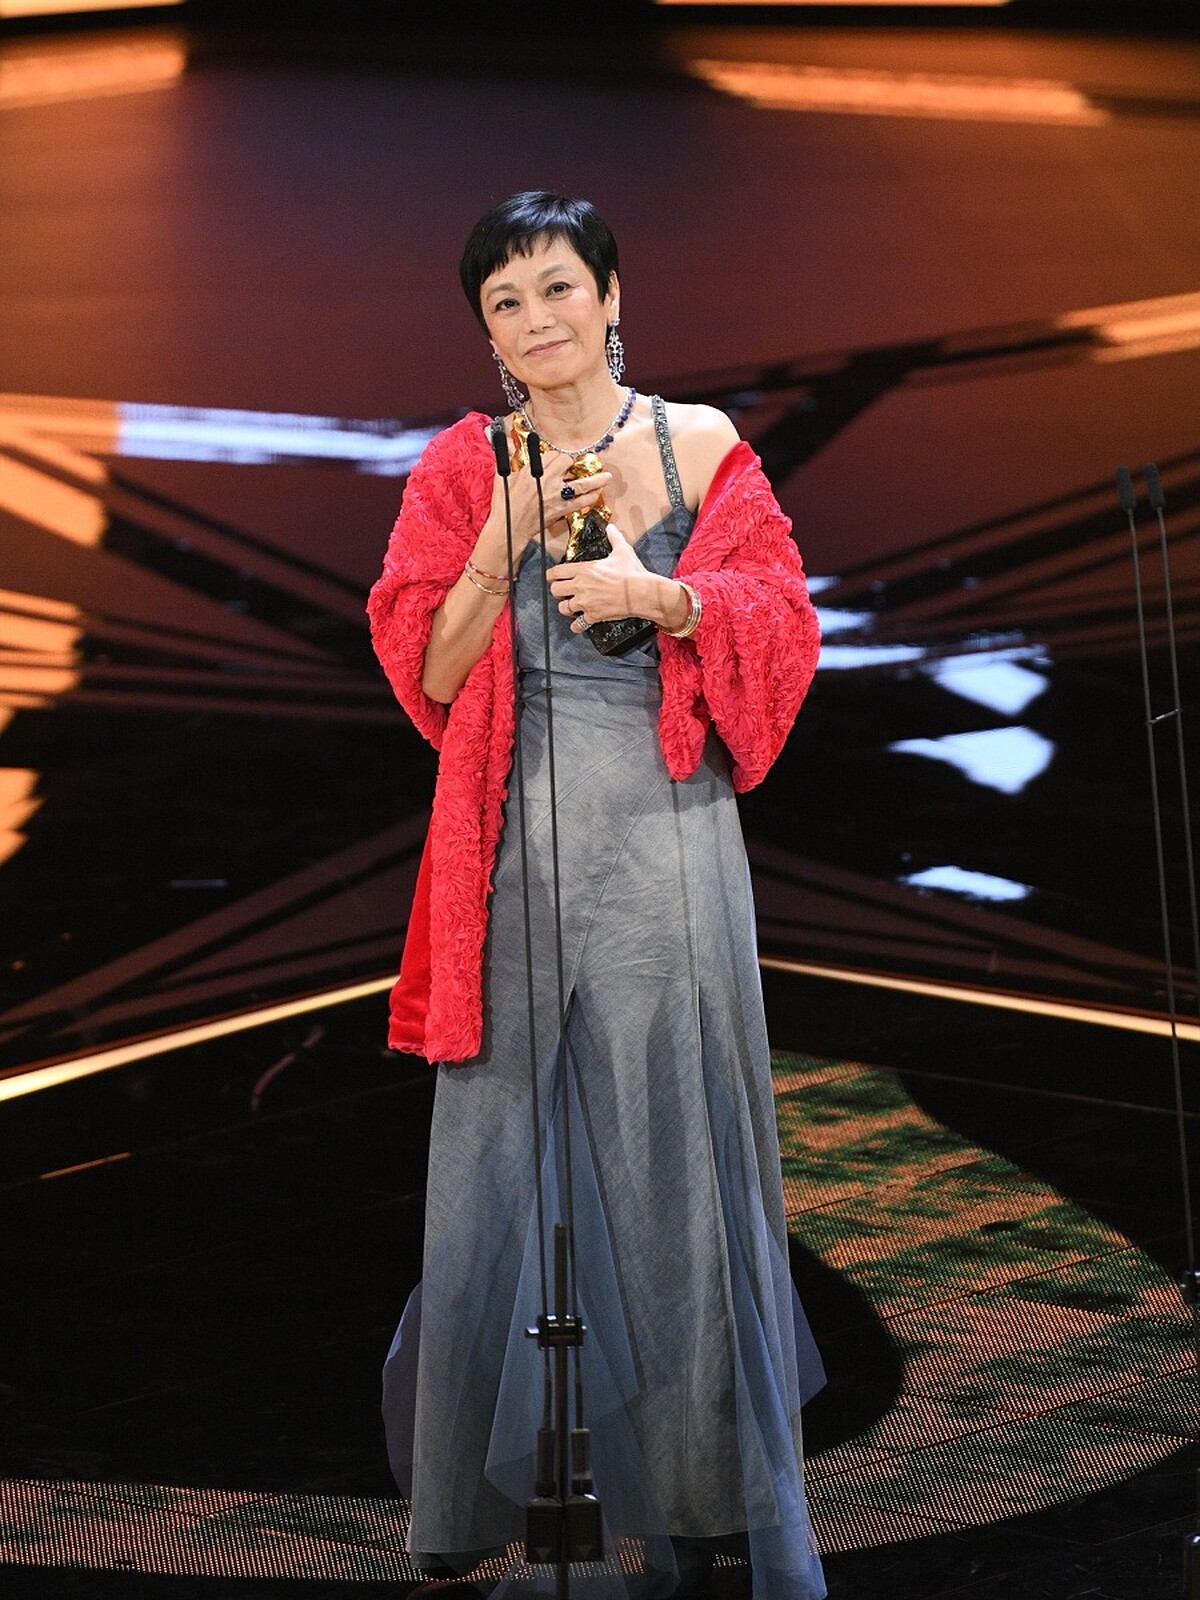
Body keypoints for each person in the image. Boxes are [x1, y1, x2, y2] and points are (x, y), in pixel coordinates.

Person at [368, 192, 827, 1600]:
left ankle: (705, 1497)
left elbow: (786, 627)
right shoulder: (464, 465)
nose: (535, 320)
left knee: (673, 1164)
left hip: (666, 842)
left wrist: (662, 599)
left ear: (612, 295)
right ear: (486, 332)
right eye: (504, 302)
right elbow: (425, 670)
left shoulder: (699, 446)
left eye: (557, 287)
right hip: (508, 847)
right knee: (489, 1165)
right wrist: (504, 536)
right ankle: (462, 1501)